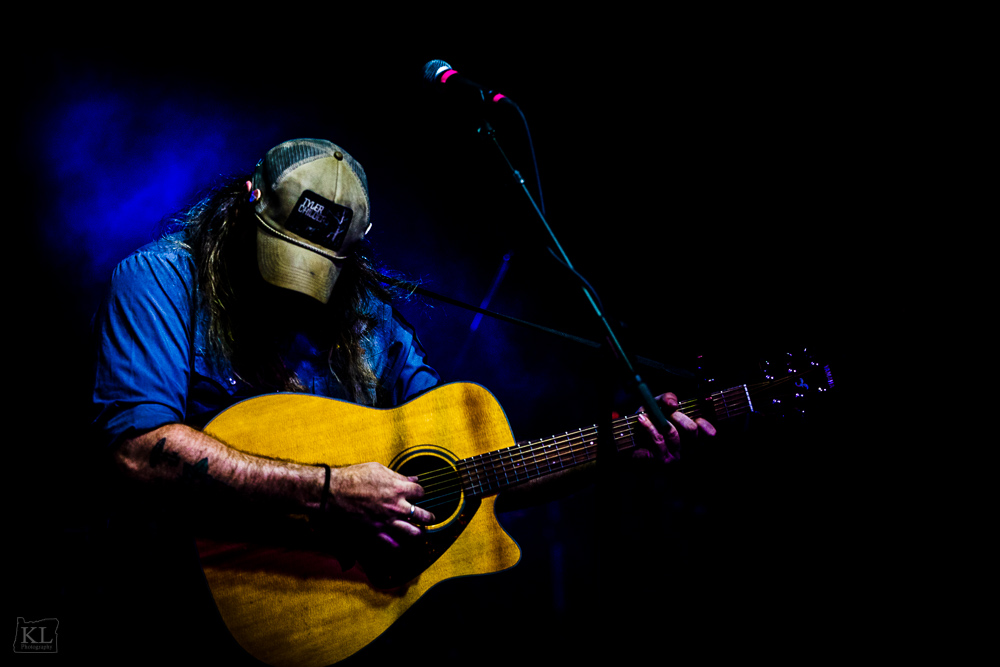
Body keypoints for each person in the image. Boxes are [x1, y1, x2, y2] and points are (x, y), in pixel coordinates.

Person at [90, 138, 714, 662]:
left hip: (336, 628)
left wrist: (617, 443)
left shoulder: (367, 313)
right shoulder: (162, 278)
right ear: (250, 199)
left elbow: (474, 473)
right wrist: (332, 489)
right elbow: (140, 453)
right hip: (176, 606)